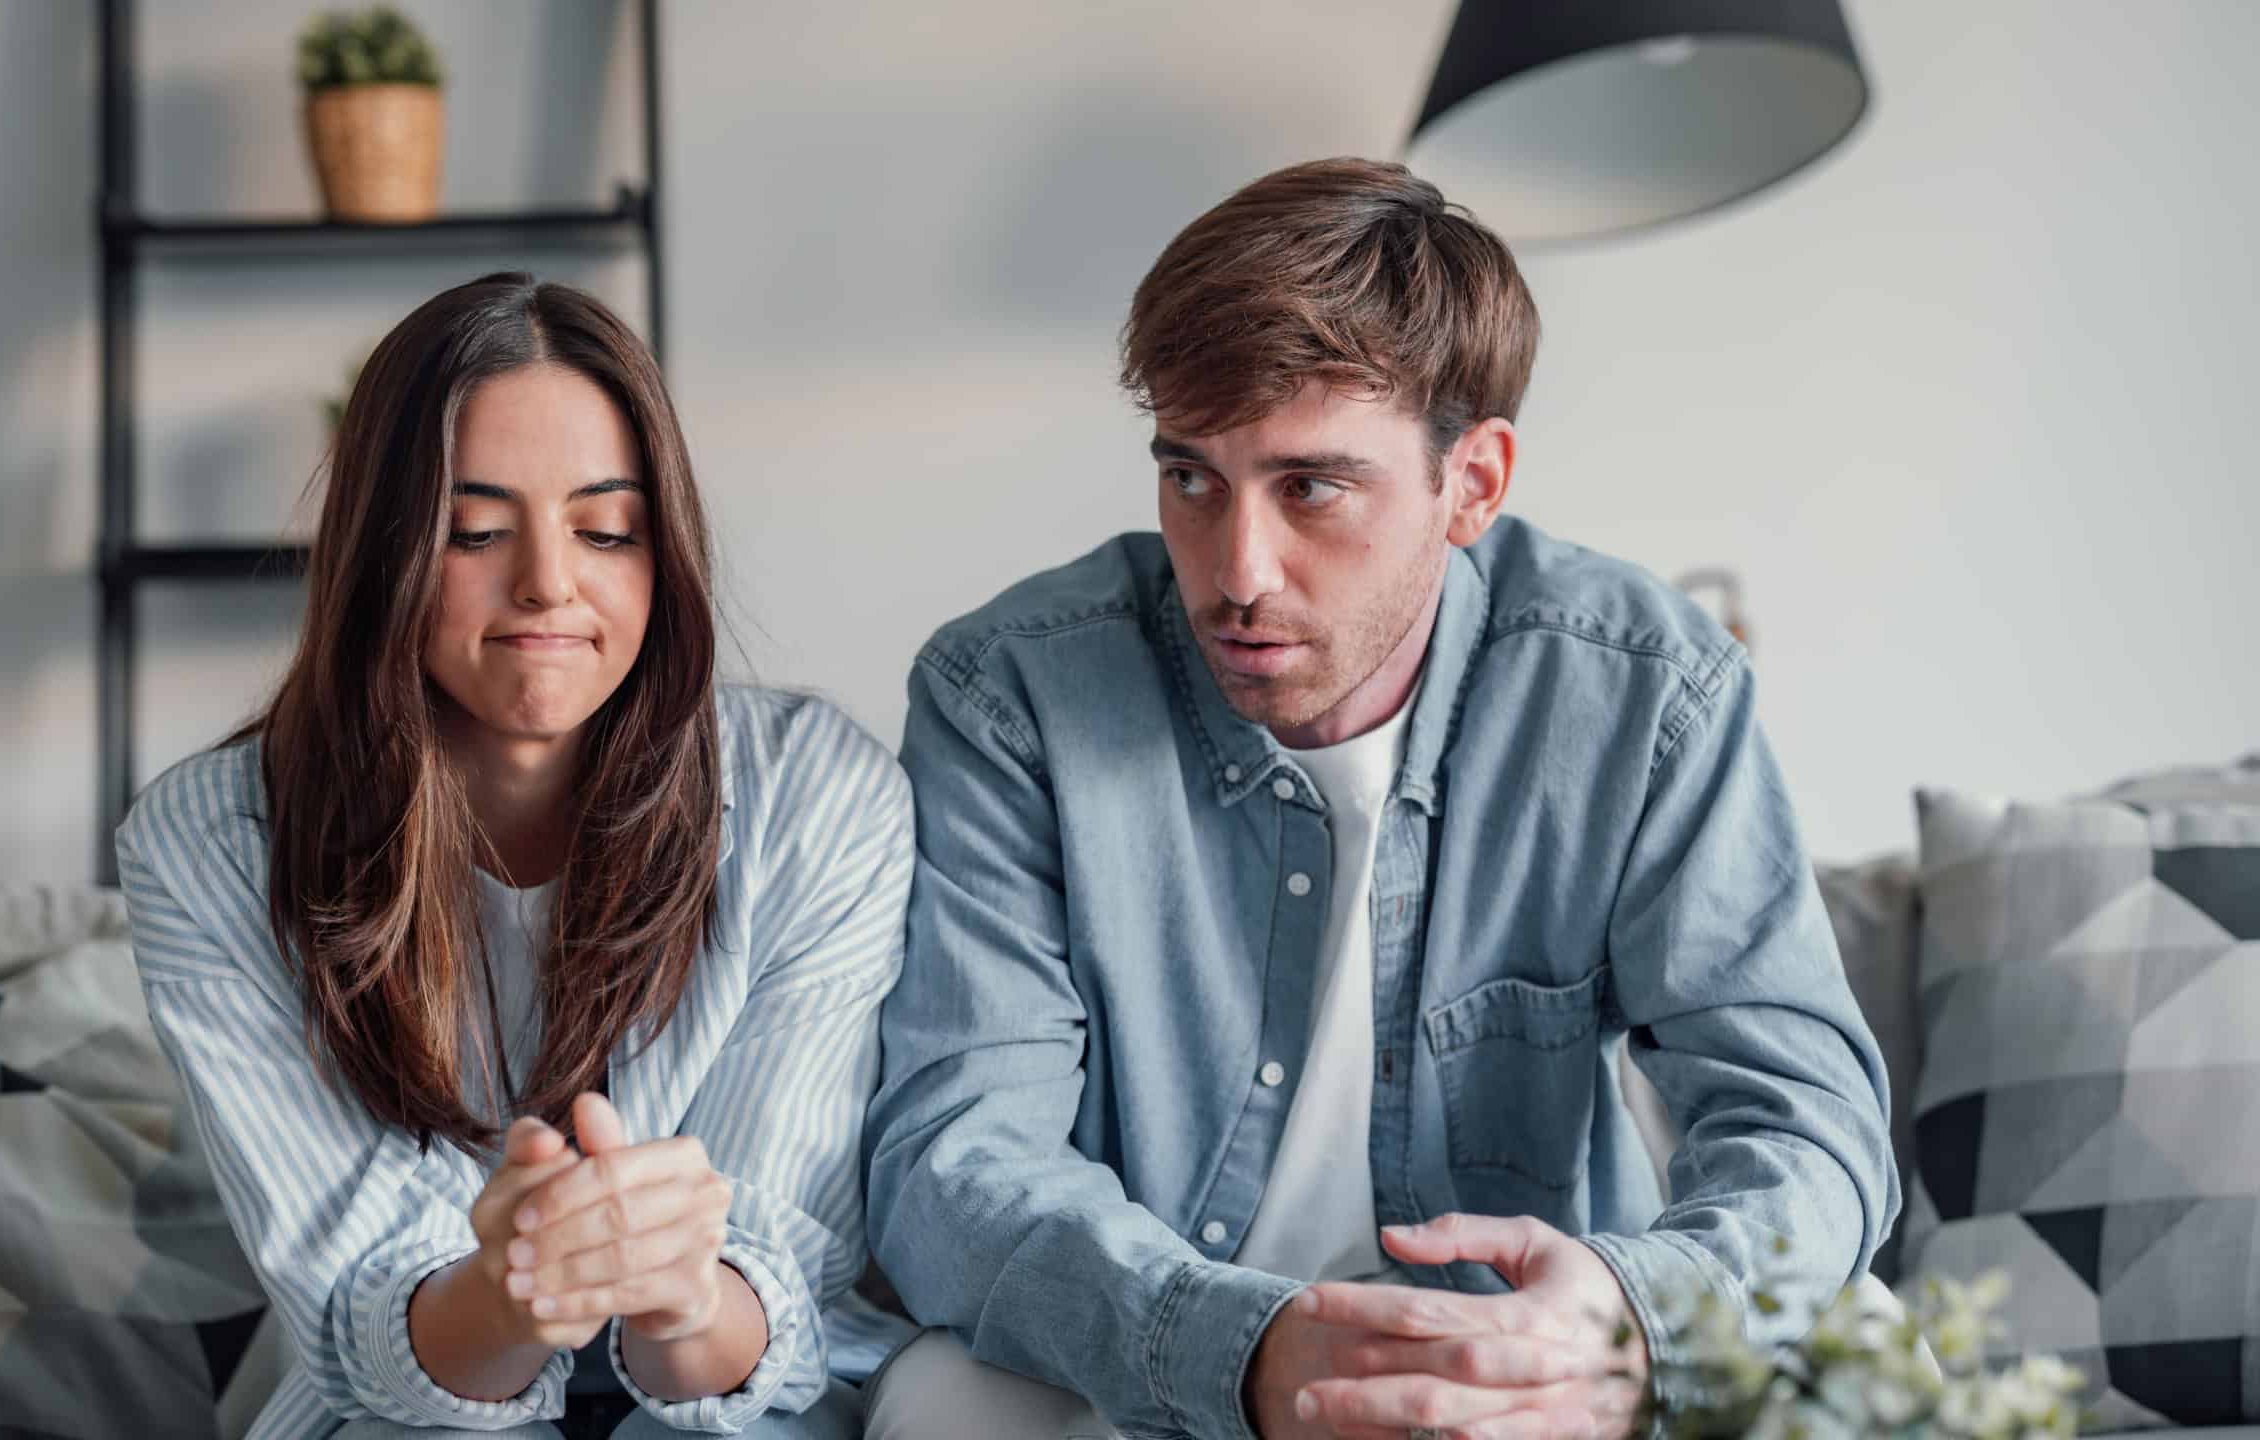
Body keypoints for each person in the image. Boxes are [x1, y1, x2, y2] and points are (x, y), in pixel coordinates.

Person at [862, 159, 1900, 1440]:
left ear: (1471, 483)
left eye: (1310, 488)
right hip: (1143, 1365)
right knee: (940, 1405)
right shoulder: (1012, 694)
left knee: (1873, 1346)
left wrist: (1624, 1317)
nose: (1237, 572)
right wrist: (1237, 1350)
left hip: (1530, 1369)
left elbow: (1803, 1118)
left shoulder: (1641, 691)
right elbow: (954, 1159)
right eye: (1191, 478)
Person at [117, 275, 911, 1439]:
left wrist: (679, 1291)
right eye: (475, 531)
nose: (548, 581)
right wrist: (512, 1290)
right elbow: (357, 1320)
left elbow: (777, 1298)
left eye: (605, 530)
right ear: (382, 553)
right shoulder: (207, 843)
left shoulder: (815, 795)